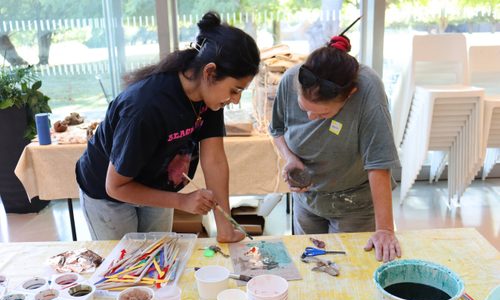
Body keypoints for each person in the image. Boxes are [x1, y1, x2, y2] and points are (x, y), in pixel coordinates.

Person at [76, 12, 260, 242]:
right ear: (210, 72)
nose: (235, 100)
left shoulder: (209, 96)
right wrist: (182, 201)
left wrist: (224, 228)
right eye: (235, 90)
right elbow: (115, 186)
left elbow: (214, 160)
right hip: (109, 194)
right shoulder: (145, 106)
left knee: (158, 259)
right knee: (124, 268)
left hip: (155, 184)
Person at [269, 34, 402, 262]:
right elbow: (277, 130)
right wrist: (290, 158)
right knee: (310, 264)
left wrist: (385, 230)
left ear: (349, 95)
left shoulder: (368, 90)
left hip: (355, 204)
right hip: (307, 199)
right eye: (304, 108)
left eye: (322, 114)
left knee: (351, 267)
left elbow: (378, 163)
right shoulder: (291, 79)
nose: (310, 117)